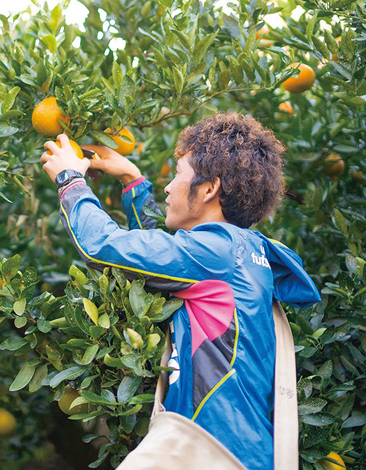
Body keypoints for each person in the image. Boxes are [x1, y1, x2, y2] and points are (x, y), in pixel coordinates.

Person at [40, 112, 321, 470]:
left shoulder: (217, 254)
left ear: (209, 189)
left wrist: (70, 180)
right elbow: (164, 259)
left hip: (211, 451)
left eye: (178, 175)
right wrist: (131, 180)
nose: (169, 187)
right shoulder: (239, 253)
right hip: (239, 451)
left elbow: (103, 246)